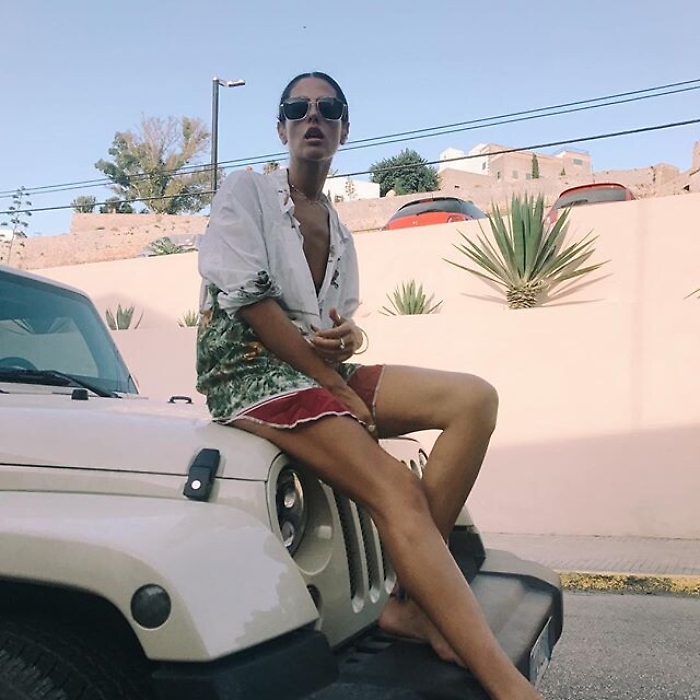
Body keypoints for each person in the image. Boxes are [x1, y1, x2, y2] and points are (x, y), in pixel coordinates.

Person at [196, 70, 543, 700]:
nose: (313, 116)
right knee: (396, 489)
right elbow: (250, 304)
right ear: (280, 128)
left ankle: (410, 601)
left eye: (328, 108)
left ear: (344, 130)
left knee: (474, 399)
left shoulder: (338, 226)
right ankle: (504, 682)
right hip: (248, 369)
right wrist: (334, 383)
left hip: (312, 367)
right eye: (298, 107)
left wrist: (346, 341)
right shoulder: (246, 192)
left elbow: (333, 323)